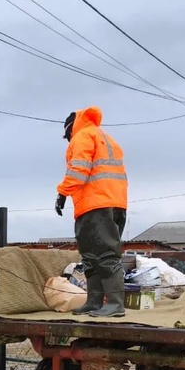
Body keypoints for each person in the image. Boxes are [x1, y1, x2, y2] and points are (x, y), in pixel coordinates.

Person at [54, 106, 129, 318]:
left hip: (96, 206)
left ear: (70, 128)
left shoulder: (82, 137)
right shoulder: (106, 138)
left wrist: (62, 193)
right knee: (92, 257)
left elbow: (78, 170)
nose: (67, 140)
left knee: (104, 254)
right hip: (113, 204)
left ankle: (114, 304)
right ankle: (94, 302)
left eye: (66, 135)